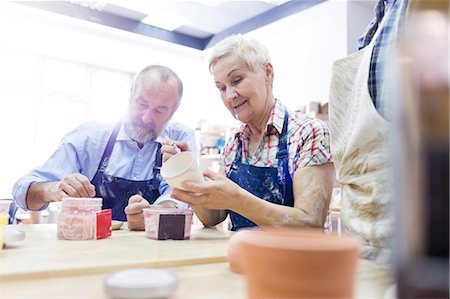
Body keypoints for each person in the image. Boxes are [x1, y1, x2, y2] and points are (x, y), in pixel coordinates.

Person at [128, 35, 334, 231]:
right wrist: (187, 173)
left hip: (295, 263)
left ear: (268, 72)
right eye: (221, 88)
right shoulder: (235, 142)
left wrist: (236, 198)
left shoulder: (309, 133)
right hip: (244, 258)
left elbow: (309, 223)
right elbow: (213, 217)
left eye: (237, 80)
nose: (230, 95)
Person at [12, 65, 196, 228]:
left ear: (173, 110)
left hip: (155, 249)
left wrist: (153, 214)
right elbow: (23, 192)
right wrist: (53, 189)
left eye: (159, 110)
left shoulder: (179, 138)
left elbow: (180, 195)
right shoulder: (88, 137)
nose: (146, 117)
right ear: (131, 94)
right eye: (142, 104)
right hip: (88, 248)